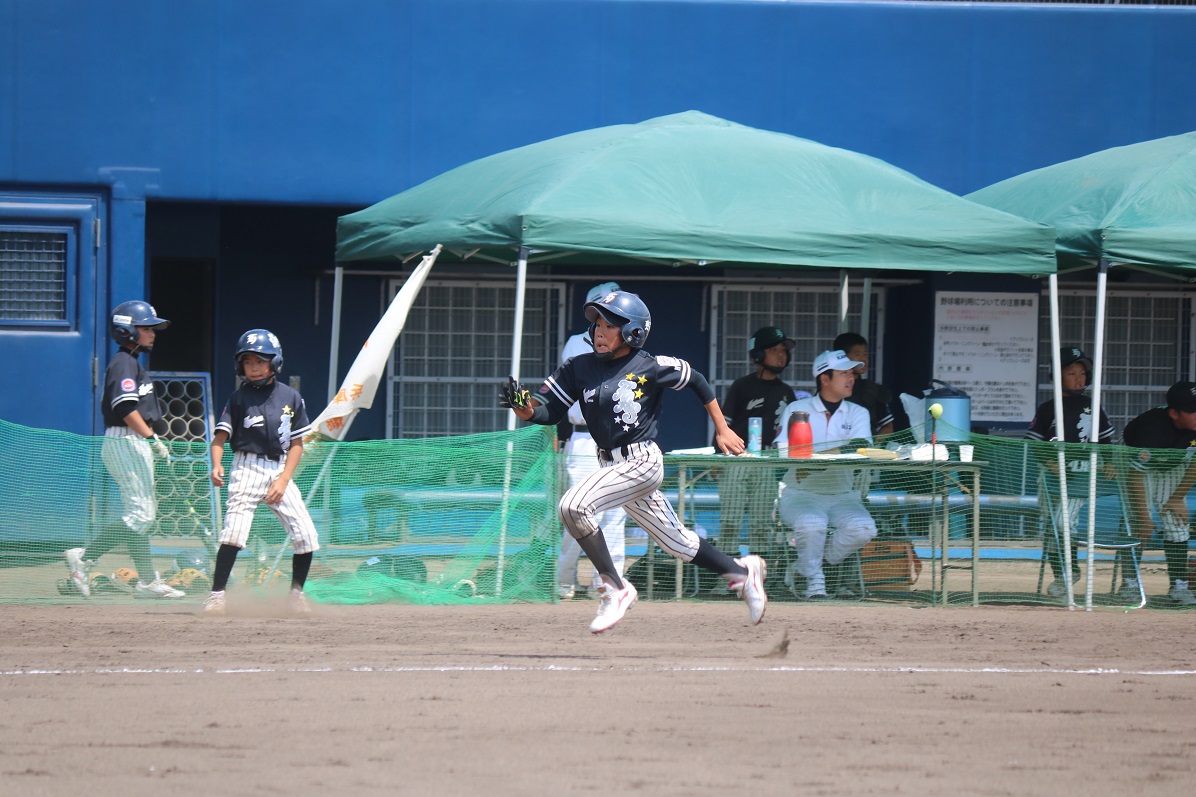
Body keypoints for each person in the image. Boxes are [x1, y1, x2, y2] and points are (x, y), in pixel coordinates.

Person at [501, 289, 766, 633]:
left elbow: (696, 379)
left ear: (634, 331)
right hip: (611, 466)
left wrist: (722, 428)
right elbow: (549, 410)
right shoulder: (579, 367)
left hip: (642, 461)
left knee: (573, 506)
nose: (599, 331)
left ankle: (615, 587)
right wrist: (525, 409)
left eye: (609, 325)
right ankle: (743, 573)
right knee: (678, 543)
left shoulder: (649, 365)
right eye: (597, 324)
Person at [63, 300, 185, 599]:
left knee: (141, 515)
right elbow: (125, 407)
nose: (152, 334)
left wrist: (148, 439)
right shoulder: (123, 362)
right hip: (126, 439)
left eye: (153, 329)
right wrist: (151, 438)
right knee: (141, 515)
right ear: (126, 330)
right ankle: (84, 558)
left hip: (131, 441)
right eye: (146, 328)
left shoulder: (132, 361)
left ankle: (147, 581)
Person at [203, 329, 320, 615]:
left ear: (274, 362)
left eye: (260, 361)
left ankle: (296, 594)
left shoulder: (291, 397)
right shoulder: (238, 398)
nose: (253, 367)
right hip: (247, 467)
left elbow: (297, 445)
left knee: (306, 534)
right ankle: (217, 596)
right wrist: (216, 464)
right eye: (247, 362)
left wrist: (284, 479)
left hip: (279, 468)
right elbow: (219, 439)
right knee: (234, 533)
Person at [775, 349, 877, 600]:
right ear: (824, 378)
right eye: (844, 373)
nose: (851, 378)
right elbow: (786, 453)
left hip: (843, 495)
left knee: (864, 529)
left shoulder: (858, 412)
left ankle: (803, 568)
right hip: (800, 494)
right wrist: (835, 454)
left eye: (852, 373)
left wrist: (815, 459)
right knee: (812, 524)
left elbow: (860, 449)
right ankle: (815, 583)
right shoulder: (798, 409)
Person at [1024, 347, 1118, 599]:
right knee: (1051, 527)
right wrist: (1049, 462)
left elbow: (1105, 440)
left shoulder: (1091, 405)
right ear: (1057, 375)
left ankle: (1070, 571)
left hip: (1081, 475)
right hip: (1050, 475)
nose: (1079, 378)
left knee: (1062, 523)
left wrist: (1109, 462)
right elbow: (1034, 443)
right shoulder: (1047, 408)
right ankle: (1062, 575)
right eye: (1071, 372)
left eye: (1082, 373)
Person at [556, 281, 628, 600]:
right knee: (579, 510)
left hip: (619, 440)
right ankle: (564, 578)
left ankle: (610, 583)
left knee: (615, 513)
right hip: (586, 439)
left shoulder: (628, 342)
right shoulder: (577, 343)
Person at [714, 326, 801, 556]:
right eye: (774, 350)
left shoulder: (787, 392)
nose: (781, 355)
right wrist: (718, 458)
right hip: (736, 459)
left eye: (784, 351)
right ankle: (728, 570)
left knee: (762, 523)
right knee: (730, 520)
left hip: (768, 461)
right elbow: (724, 424)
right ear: (758, 354)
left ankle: (758, 570)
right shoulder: (742, 386)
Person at [1123, 381, 1196, 606]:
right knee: (1137, 524)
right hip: (1134, 466)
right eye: (1193, 410)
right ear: (1174, 413)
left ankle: (1179, 585)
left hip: (1172, 463)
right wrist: (1144, 516)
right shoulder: (1152, 430)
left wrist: (1177, 498)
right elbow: (1135, 475)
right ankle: (1129, 584)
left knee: (1177, 520)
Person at [833, 332, 894, 437]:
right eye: (857, 355)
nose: (863, 359)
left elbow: (888, 427)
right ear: (842, 357)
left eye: (865, 355)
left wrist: (872, 444)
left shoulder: (872, 389)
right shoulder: (830, 388)